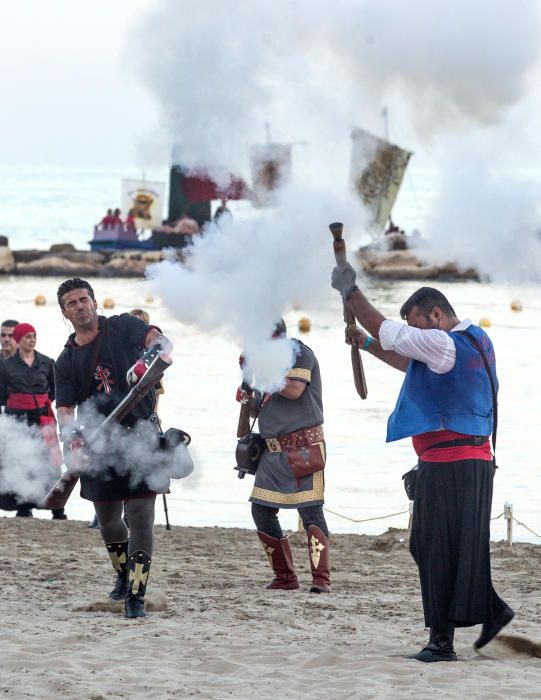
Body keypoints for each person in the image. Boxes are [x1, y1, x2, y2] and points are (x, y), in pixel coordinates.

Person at [330, 267, 514, 661]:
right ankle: (492, 610)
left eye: (418, 325)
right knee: (441, 547)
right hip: (469, 461)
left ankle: (441, 643)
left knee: (434, 548)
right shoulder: (473, 339)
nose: (418, 334)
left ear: (434, 315)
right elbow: (406, 357)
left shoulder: (446, 343)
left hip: (453, 463)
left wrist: (351, 290)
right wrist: (364, 344)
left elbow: (388, 330)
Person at [54, 278, 174, 618]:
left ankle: (136, 593)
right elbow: (64, 409)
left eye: (84, 299)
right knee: (108, 520)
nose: (81, 306)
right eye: (72, 303)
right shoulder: (64, 362)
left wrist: (147, 359)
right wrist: (72, 438)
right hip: (99, 446)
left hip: (142, 439)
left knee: (139, 517)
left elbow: (162, 342)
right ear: (65, 312)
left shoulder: (122, 327)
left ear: (94, 301)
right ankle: (123, 577)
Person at [239, 319, 331, 594]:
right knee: (261, 510)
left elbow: (293, 390)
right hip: (273, 451)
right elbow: (257, 410)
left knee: (311, 511)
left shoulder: (300, 353)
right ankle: (285, 577)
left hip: (305, 447)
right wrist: (246, 390)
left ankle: (321, 580)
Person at [0, 323, 65, 519]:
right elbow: (2, 394)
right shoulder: (6, 366)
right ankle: (24, 505)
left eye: (34, 336)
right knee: (20, 461)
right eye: (27, 337)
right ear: (19, 340)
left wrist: (40, 405)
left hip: (42, 417)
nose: (32, 340)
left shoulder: (47, 362)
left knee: (49, 461)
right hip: (17, 418)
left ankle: (56, 508)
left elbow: (55, 391)